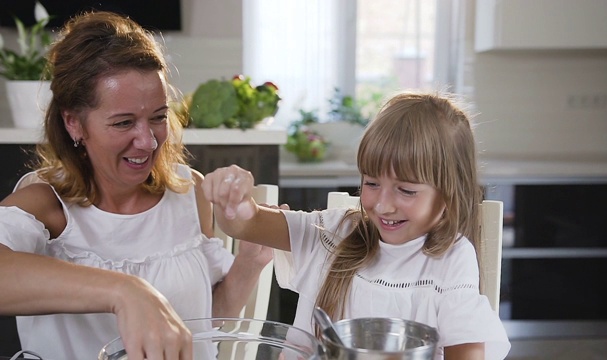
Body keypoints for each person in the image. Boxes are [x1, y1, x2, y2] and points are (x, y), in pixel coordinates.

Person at [0, 11, 272, 360]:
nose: (147, 141)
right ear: (73, 123)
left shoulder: (189, 193)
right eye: (124, 122)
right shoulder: (45, 206)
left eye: (158, 117)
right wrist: (124, 291)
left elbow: (200, 330)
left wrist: (250, 259)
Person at [203, 92, 511, 359]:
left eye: (406, 190)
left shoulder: (452, 263)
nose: (382, 204)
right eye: (371, 183)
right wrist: (234, 200)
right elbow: (249, 225)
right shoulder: (334, 233)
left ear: (448, 193)